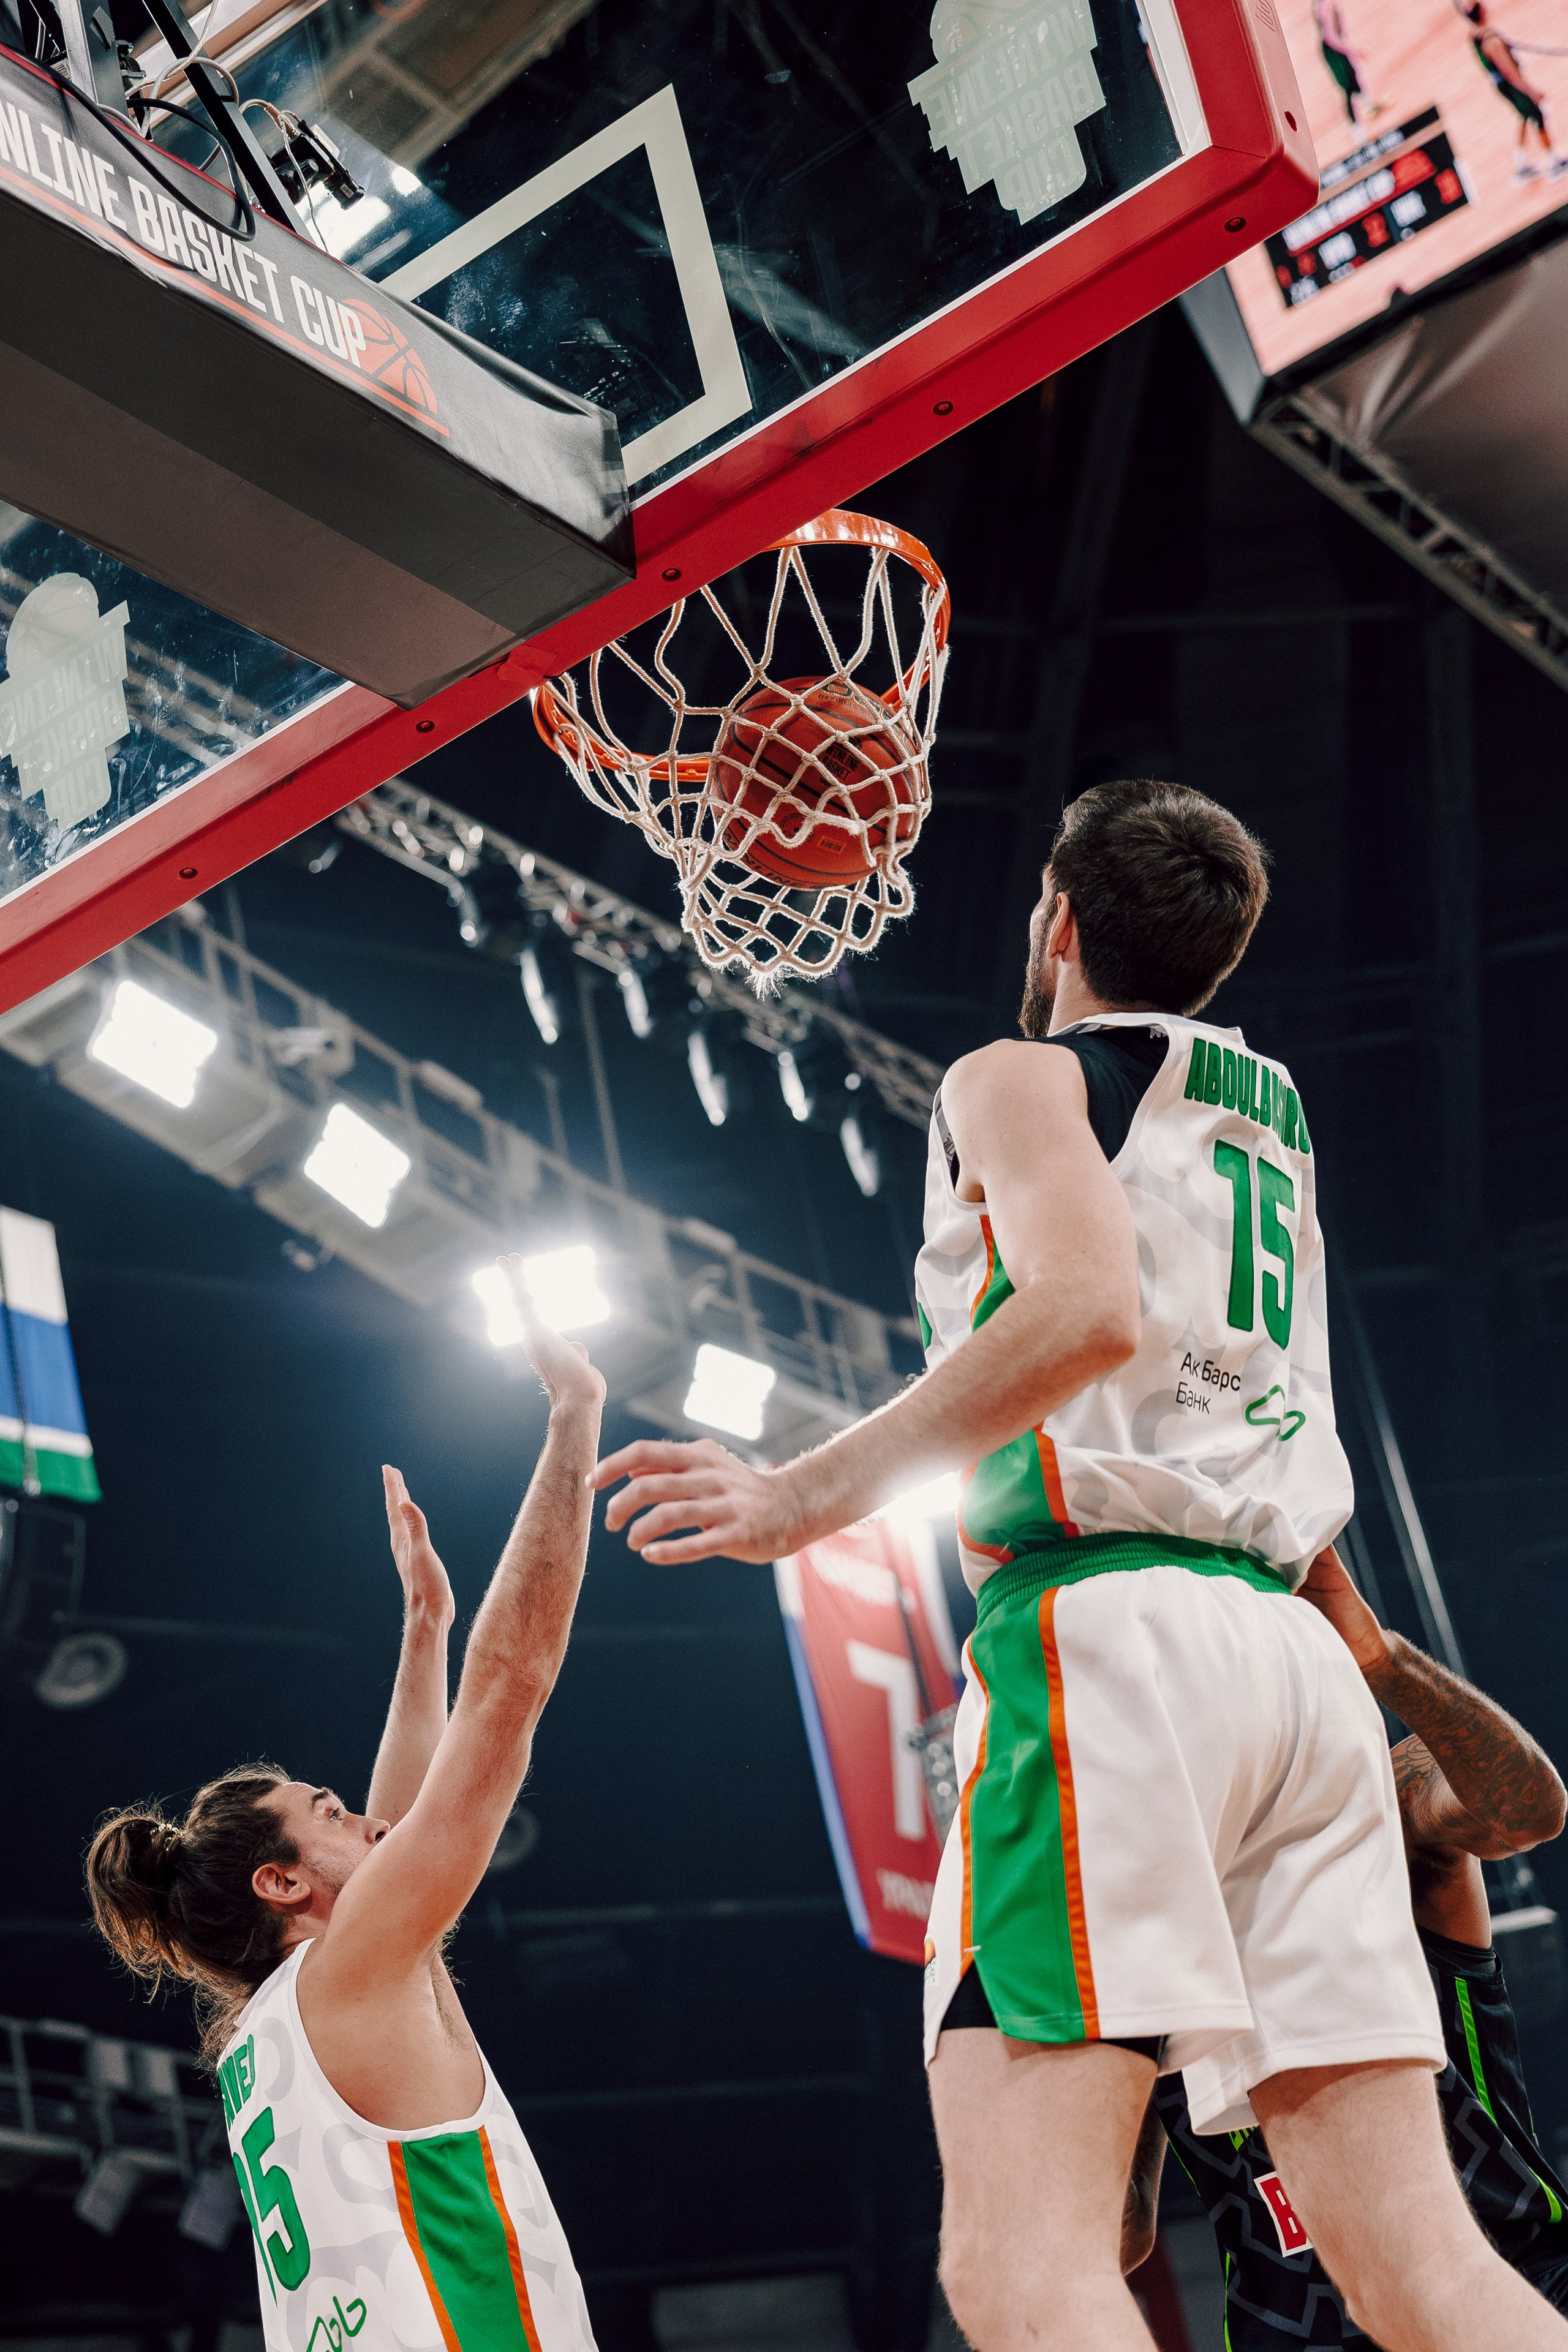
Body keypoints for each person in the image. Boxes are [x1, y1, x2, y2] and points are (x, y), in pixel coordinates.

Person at [592, 777, 1568, 2352]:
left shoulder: (1011, 1072)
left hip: (1108, 1638)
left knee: (1020, 2261)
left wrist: (799, 1495)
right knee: (1427, 2275)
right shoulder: (1265, 1105)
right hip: (1292, 1660)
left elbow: (1085, 1313)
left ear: (1053, 916)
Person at [85, 1261, 605, 2352]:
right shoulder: (351, 1972)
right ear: (282, 1882)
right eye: (328, 1811)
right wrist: (573, 1420)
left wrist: (424, 1631)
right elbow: (509, 1690)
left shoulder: (268, 2034)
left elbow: (399, 1823)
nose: (368, 1820)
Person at [1127, 1542, 1568, 2339]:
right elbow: (1119, 2237)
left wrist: (1384, 1659)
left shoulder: (1374, 1815)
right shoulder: (1136, 1945)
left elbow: (1525, 1812)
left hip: (1516, 2285)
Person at [1457, 0, 1567, 181]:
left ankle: (1521, 164)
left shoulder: (1475, 36)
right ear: (1483, 12)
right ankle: (1553, 163)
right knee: (1537, 115)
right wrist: (1532, 91)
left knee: (1524, 116)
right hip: (1513, 86)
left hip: (1502, 87)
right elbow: (1511, 72)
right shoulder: (1492, 41)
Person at [1313, 0, 1381, 129]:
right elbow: (1331, 38)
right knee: (1348, 88)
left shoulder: (1323, 3)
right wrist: (1352, 50)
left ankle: (1369, 106)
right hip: (1333, 48)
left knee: (1353, 77)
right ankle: (1358, 133)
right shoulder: (1325, 4)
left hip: (1334, 46)